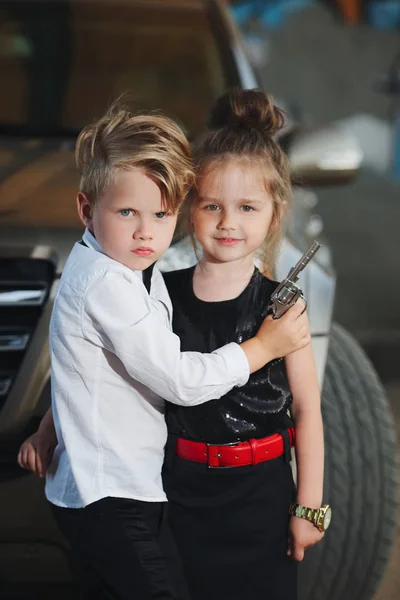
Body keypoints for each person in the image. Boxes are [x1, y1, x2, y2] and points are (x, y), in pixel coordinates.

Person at [17, 98, 310, 600]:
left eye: (160, 213)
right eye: (127, 211)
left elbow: (92, 367)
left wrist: (51, 424)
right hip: (116, 493)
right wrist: (262, 347)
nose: (144, 231)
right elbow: (176, 380)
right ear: (87, 210)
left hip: (184, 492)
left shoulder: (126, 270)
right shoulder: (113, 283)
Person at [161, 89, 326, 600]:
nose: (228, 222)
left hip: (261, 499)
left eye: (247, 207)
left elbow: (307, 409)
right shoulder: (161, 296)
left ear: (273, 216)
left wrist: (309, 506)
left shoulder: (282, 306)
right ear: (192, 209)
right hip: (176, 494)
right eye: (213, 205)